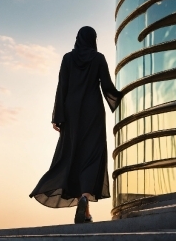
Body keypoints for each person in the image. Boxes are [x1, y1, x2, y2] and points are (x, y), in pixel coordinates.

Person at [29, 26, 123, 224]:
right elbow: (106, 86)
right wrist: (122, 97)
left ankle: (84, 210)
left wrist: (58, 116)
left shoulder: (67, 59)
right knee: (92, 155)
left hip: (72, 112)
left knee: (72, 154)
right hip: (92, 111)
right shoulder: (98, 58)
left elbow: (62, 86)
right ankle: (84, 197)